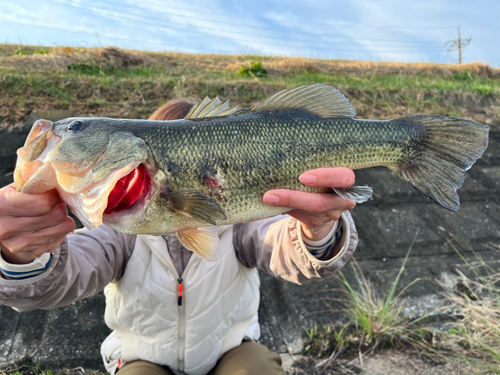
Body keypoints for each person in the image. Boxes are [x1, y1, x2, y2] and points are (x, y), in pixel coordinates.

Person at [0, 98, 358, 375]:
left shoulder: (239, 223)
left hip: (231, 348)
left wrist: (318, 230)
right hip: (143, 355)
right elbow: (66, 274)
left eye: (76, 128)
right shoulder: (118, 232)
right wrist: (19, 255)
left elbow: (284, 248)